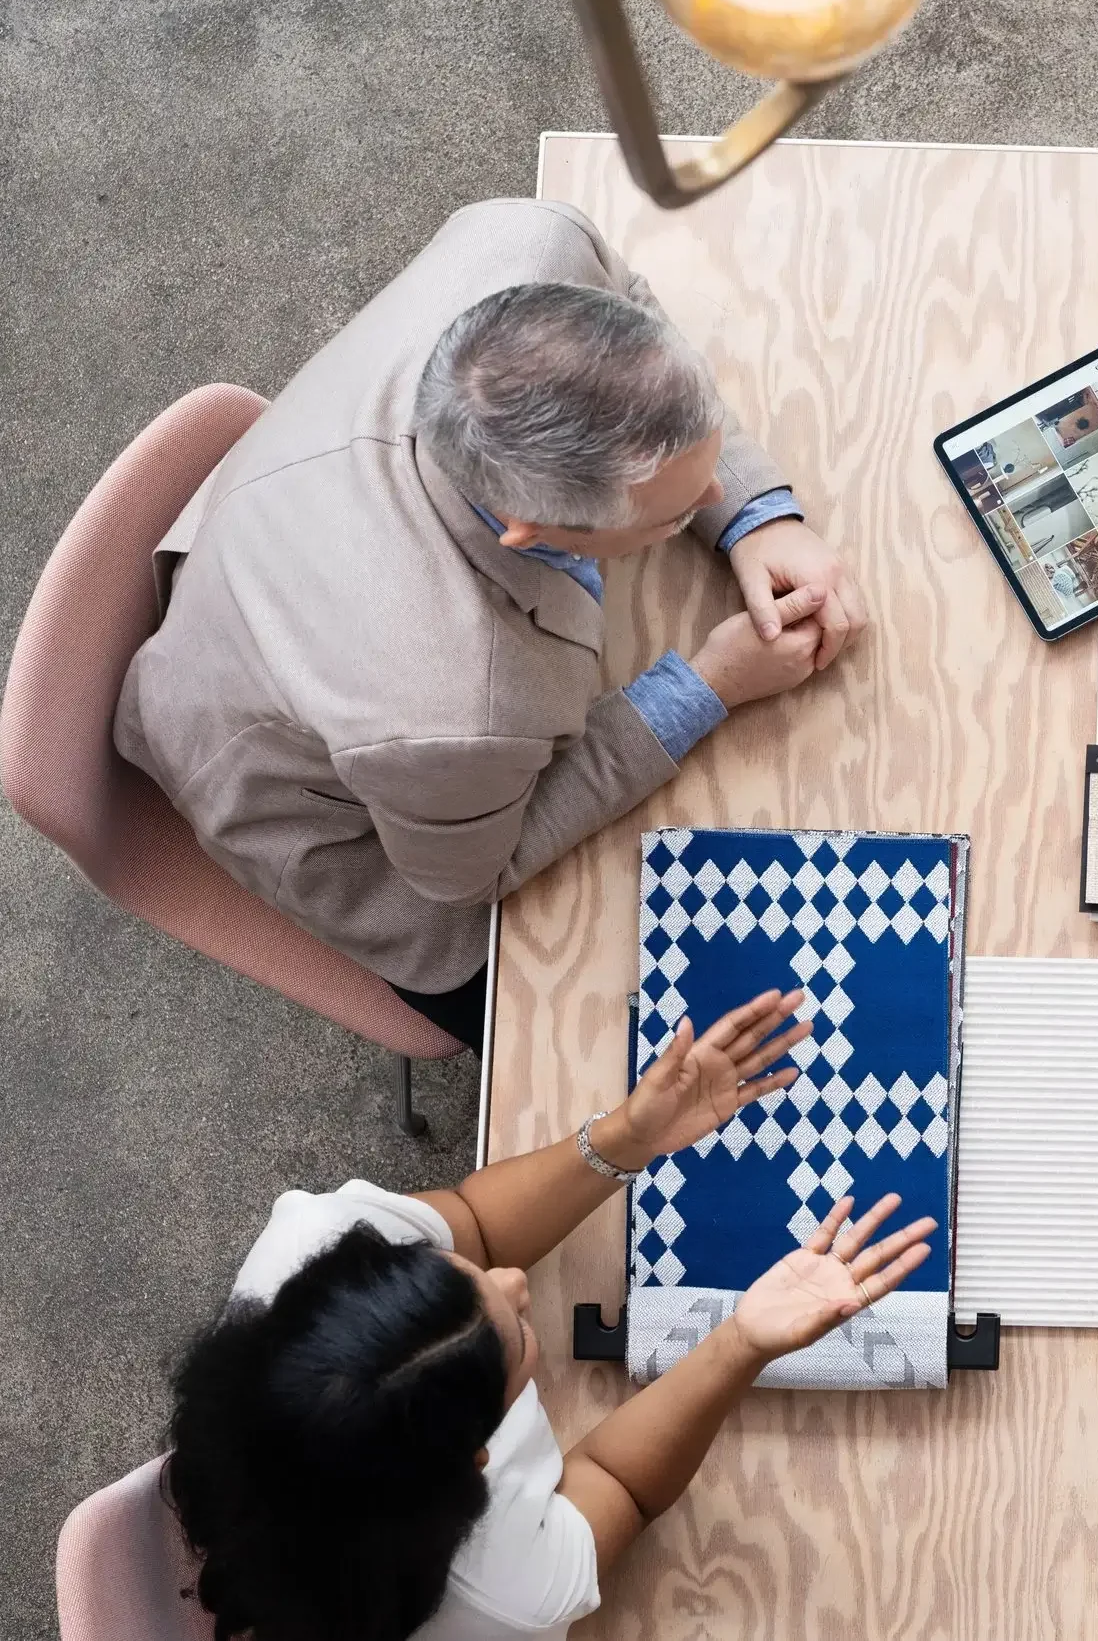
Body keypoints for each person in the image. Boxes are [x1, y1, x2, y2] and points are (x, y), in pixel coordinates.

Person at [116, 199, 870, 1049]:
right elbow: (476, 872)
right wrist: (705, 687)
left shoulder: (527, 243)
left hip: (273, 539)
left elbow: (636, 307)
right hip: (317, 802)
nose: (707, 498)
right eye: (671, 511)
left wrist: (757, 514)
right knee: (600, 1028)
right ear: (530, 529)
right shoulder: (448, 715)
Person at [165, 988, 934, 1641]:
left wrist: (630, 1135)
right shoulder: (508, 1590)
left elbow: (477, 1217)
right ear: (478, 1462)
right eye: (517, 1340)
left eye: (454, 1274)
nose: (513, 1282)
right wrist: (741, 1340)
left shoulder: (312, 1236)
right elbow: (618, 1485)